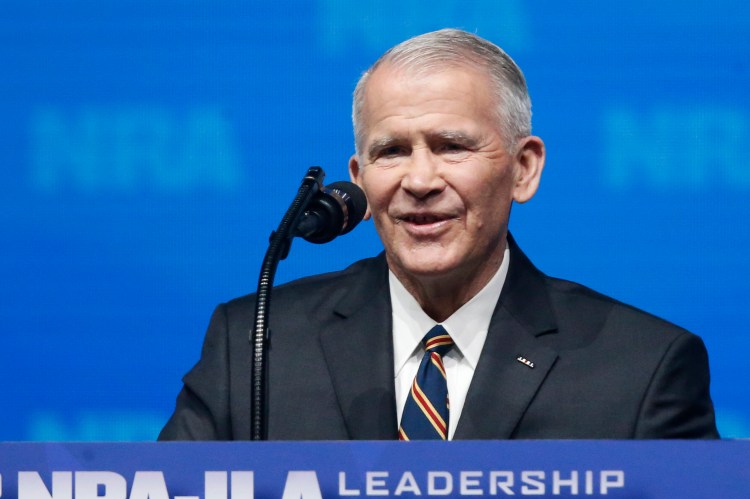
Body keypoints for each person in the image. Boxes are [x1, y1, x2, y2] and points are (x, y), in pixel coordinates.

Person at [159, 29, 719, 441]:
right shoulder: (255, 344)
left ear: (524, 169)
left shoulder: (643, 368)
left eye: (453, 146)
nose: (420, 180)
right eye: (391, 152)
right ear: (358, 182)